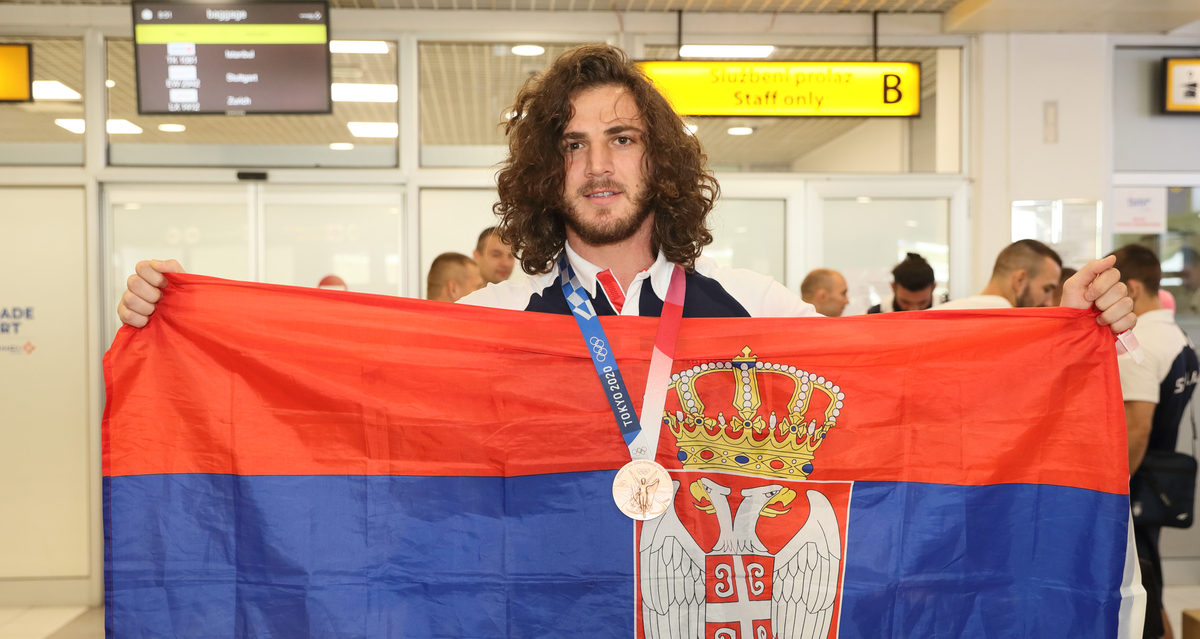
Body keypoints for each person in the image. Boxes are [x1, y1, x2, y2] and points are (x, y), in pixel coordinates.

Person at [117, 46, 1133, 340]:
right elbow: (345, 391)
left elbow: (922, 363)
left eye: (622, 138)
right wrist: (181, 317)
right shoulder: (489, 321)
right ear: (542, 171)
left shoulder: (759, 306)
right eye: (571, 144)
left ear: (660, 162)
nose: (598, 163)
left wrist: (1073, 326)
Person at [1113, 244, 1199, 639]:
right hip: (1157, 477)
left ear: (1131, 286)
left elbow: (1138, 427)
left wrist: (1115, 490)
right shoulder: (1178, 336)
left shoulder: (1137, 343)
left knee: (1143, 580)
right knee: (1152, 575)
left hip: (1137, 481)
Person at [938, 239, 1063, 310]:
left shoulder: (935, 316)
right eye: (1046, 289)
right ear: (1019, 280)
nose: (1049, 303)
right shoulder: (1010, 329)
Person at [868, 253, 938, 313]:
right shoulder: (872, 315)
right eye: (905, 302)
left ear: (934, 287)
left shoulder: (948, 310)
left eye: (922, 302)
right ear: (893, 287)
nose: (913, 310)